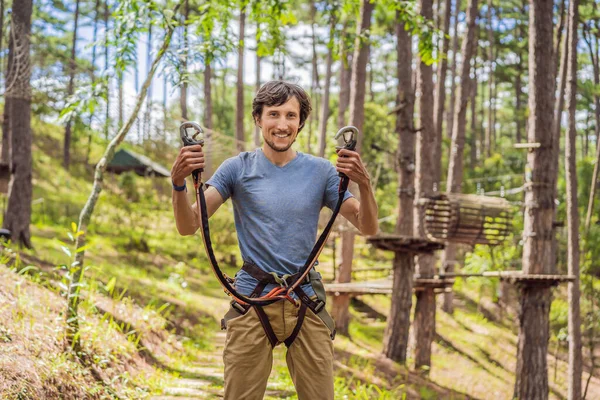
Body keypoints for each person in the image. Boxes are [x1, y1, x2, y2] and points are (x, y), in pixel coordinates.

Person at [170, 81, 378, 400]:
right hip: (253, 300)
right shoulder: (237, 169)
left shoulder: (322, 172)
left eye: (291, 116)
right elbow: (189, 225)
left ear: (301, 122)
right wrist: (179, 184)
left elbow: (368, 226)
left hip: (306, 298)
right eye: (274, 114)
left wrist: (364, 185)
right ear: (258, 118)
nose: (282, 125)